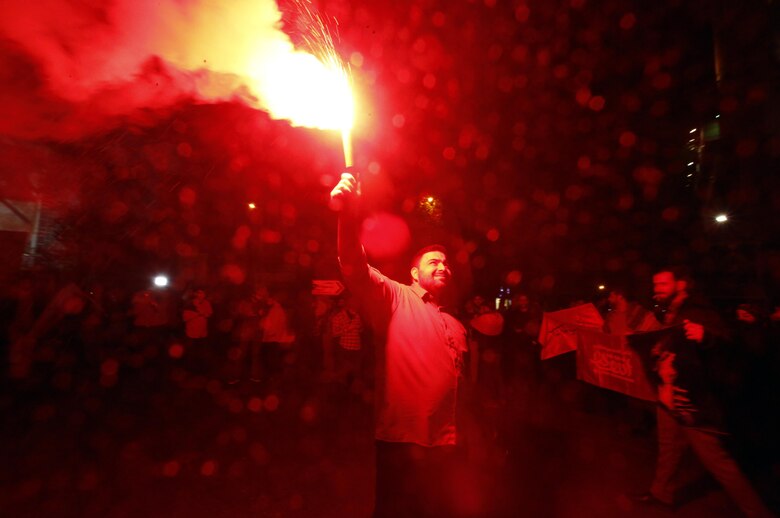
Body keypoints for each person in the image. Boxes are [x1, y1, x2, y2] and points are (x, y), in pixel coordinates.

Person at [330, 171, 468, 518]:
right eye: (433, 262)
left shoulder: (455, 323)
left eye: (446, 263)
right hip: (402, 440)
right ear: (414, 273)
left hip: (445, 442)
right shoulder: (395, 297)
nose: (443, 266)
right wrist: (348, 214)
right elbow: (352, 264)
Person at [632, 267, 774, 517]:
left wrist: (705, 336)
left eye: (664, 284)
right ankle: (661, 493)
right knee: (668, 446)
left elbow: (729, 341)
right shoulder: (667, 311)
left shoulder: (698, 311)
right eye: (655, 285)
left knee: (719, 463)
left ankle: (758, 512)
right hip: (669, 393)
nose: (657, 290)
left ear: (681, 285)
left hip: (692, 401)